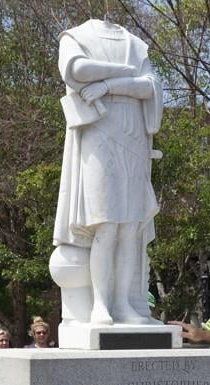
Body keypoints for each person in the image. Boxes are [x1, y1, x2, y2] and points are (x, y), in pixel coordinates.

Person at [52, 18, 163, 325]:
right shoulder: (74, 36)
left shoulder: (134, 43)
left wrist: (107, 85)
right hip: (99, 130)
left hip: (134, 133)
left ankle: (123, 303)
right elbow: (76, 71)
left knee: (130, 227)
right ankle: (100, 304)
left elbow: (150, 87)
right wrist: (125, 73)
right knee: (106, 224)